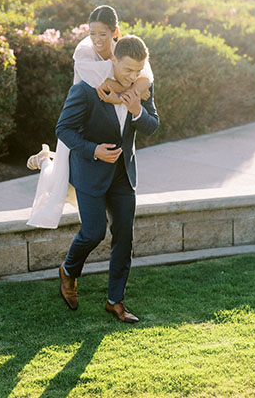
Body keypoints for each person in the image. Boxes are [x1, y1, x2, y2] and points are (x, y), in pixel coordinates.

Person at [56, 34, 159, 322]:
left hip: (123, 174)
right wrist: (94, 151)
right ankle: (68, 270)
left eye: (138, 70)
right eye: (127, 70)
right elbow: (63, 129)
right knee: (94, 232)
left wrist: (137, 109)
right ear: (114, 59)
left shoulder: (143, 85)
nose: (133, 76)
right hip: (90, 171)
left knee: (124, 236)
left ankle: (115, 301)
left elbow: (152, 126)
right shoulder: (87, 89)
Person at [26, 5, 153, 228]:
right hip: (83, 118)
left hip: (107, 121)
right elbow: (104, 85)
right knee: (58, 177)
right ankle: (45, 158)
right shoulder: (83, 52)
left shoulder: (125, 51)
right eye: (92, 33)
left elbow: (146, 79)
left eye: (102, 34)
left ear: (115, 32)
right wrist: (131, 93)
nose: (96, 40)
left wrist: (120, 95)